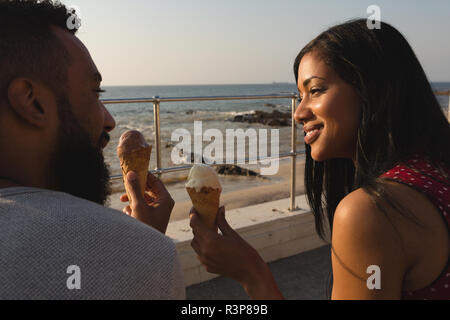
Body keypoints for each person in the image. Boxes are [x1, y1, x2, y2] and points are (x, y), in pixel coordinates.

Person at [189, 19, 450, 299]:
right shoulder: (435, 177)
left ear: (371, 88)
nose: (298, 113)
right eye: (300, 96)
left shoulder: (373, 213)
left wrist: (251, 274)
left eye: (314, 90)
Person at [0, 0, 185, 299]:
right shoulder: (149, 254)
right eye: (95, 93)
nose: (109, 121)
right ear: (31, 102)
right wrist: (142, 248)